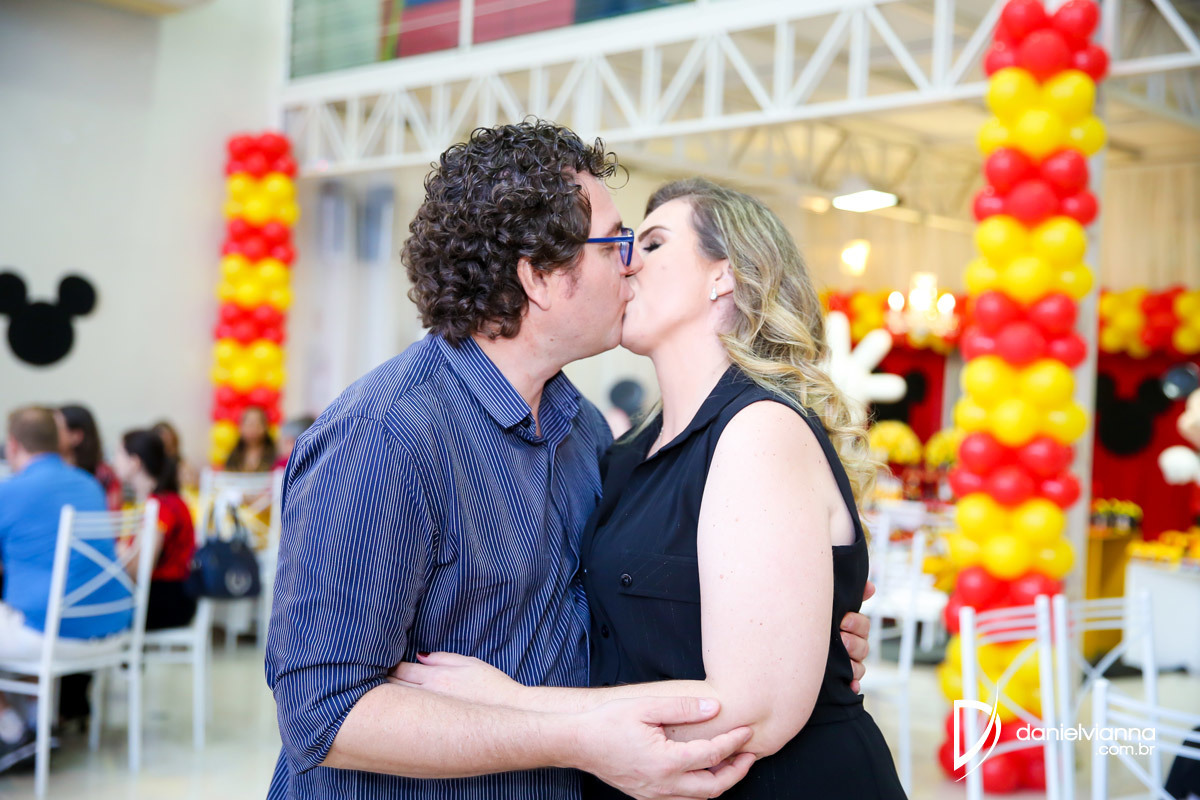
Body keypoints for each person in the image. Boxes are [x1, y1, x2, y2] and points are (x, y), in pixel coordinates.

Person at [265, 121, 873, 800]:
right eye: (615, 243)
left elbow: (625, 615)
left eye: (643, 243)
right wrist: (561, 731)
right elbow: (323, 712)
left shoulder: (584, 431)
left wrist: (808, 642)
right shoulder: (389, 434)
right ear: (540, 279)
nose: (629, 264)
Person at [393, 178, 906, 798]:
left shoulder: (759, 430)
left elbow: (752, 712)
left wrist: (513, 704)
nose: (627, 259)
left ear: (724, 275)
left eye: (654, 243)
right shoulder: (622, 449)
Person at [0, 407, 133, 772]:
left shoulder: (9, 491)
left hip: (54, 634)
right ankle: (38, 722)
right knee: (27, 609)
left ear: (13, 445)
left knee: (24, 613)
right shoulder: (88, 484)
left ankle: (11, 730)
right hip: (110, 628)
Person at [114, 429, 197, 630]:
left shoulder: (160, 505)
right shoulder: (160, 501)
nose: (114, 461)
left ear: (135, 462)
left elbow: (142, 568)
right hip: (168, 595)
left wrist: (120, 554)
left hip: (166, 601)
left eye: (119, 454)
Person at [59, 404, 122, 510]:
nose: (49, 434)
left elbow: (113, 515)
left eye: (56, 429)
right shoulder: (49, 471)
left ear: (76, 436)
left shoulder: (105, 475)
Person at [224, 406, 276, 472]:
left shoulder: (276, 454)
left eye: (257, 424)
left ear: (265, 427)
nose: (252, 429)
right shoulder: (233, 455)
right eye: (248, 424)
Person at [152, 420, 199, 491]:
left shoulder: (180, 463)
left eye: (169, 438)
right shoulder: (152, 465)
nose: (167, 441)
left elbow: (192, 483)